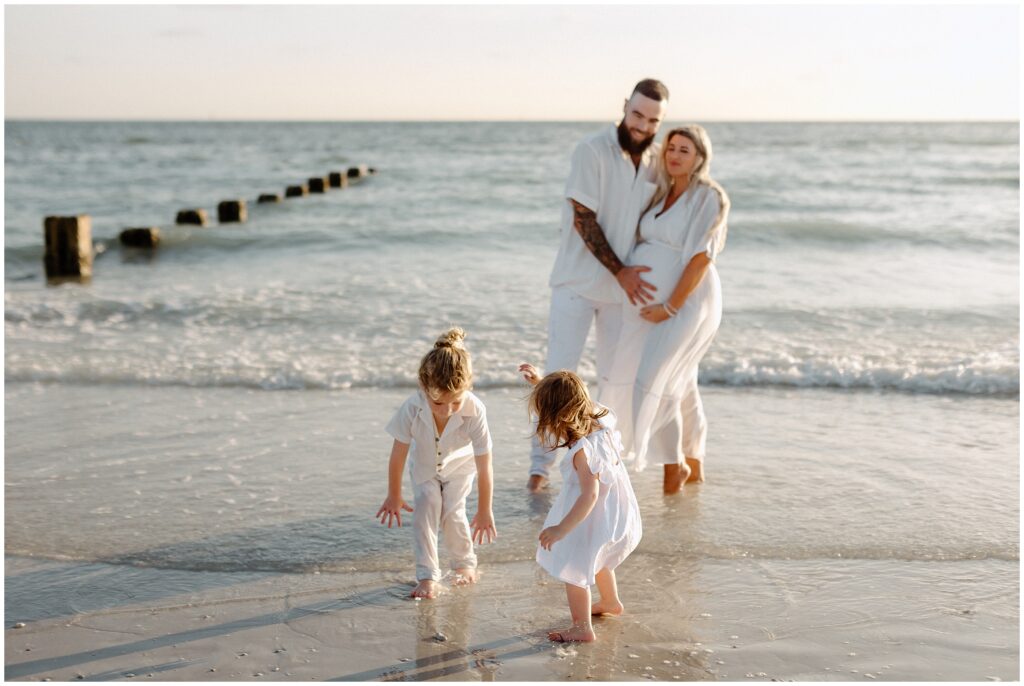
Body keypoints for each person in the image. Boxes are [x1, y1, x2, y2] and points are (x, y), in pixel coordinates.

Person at [528, 78, 670, 493]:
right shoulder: (590, 150)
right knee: (559, 376)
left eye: (652, 120)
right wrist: (621, 270)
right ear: (625, 107)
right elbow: (582, 218)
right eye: (637, 115)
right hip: (576, 281)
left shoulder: (656, 160)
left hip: (619, 294)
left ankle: (601, 463)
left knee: (614, 379)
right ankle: (540, 467)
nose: (642, 126)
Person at [599, 125, 730, 494]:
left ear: (700, 157)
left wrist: (670, 307)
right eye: (671, 148)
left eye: (684, 150)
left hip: (686, 301)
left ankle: (674, 469)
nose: (674, 155)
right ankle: (694, 461)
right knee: (682, 382)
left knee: (653, 379)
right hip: (651, 305)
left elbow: (702, 257)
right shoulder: (661, 195)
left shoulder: (708, 197)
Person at [520, 363, 642, 643]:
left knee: (575, 567)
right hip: (618, 512)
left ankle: (581, 627)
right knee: (599, 560)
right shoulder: (604, 420)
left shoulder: (582, 452)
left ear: (557, 417)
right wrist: (541, 382)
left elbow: (590, 495)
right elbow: (577, 400)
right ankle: (611, 602)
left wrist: (561, 529)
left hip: (593, 513)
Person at [376, 328, 497, 599]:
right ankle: (428, 576)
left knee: (453, 512)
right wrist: (394, 495)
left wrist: (485, 508)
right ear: (423, 388)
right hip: (424, 466)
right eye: (438, 402)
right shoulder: (412, 407)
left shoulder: (475, 409)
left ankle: (464, 564)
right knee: (427, 507)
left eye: (455, 402)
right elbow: (398, 454)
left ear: (468, 387)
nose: (446, 410)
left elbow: (485, 463)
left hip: (460, 468)